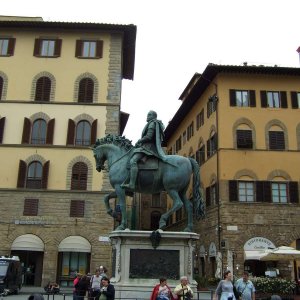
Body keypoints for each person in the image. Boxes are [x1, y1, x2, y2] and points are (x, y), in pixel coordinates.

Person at [121, 110, 166, 190]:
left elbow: (149, 137)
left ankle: (131, 184)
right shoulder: (152, 123)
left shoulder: (152, 123)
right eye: (147, 115)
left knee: (133, 161)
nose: (147, 116)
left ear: (153, 116)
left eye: (149, 115)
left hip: (148, 148)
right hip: (146, 146)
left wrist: (139, 141)